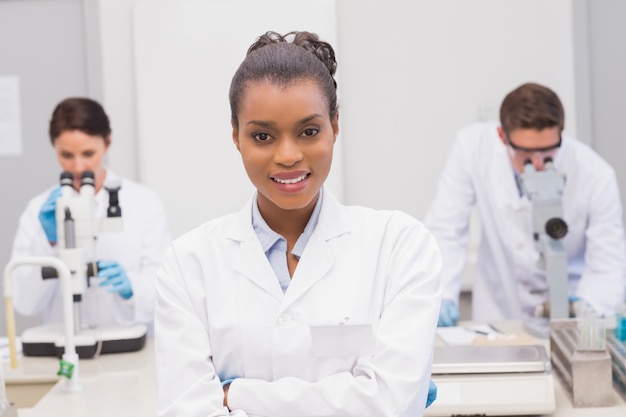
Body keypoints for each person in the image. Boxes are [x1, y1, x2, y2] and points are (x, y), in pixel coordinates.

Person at [154, 31, 442, 417]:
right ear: (236, 136)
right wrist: (352, 395)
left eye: (309, 132)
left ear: (335, 126)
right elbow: (184, 410)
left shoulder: (400, 246)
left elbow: (388, 405)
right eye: (262, 136)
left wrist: (236, 394)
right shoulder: (188, 264)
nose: (288, 155)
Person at [425, 82, 626, 326]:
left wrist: (588, 306)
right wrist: (441, 295)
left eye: (548, 151)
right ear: (502, 136)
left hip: (571, 311)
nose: (539, 163)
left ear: (561, 133)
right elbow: (447, 230)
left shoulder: (595, 175)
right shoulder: (473, 149)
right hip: (500, 310)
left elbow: (609, 263)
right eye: (526, 154)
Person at [10, 97, 171, 328]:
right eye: (66, 155)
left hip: (129, 347)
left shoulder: (144, 203)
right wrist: (48, 241)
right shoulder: (38, 209)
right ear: (54, 148)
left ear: (107, 143)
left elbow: (164, 290)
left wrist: (131, 287)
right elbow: (24, 303)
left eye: (88, 154)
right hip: (65, 347)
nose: (77, 167)